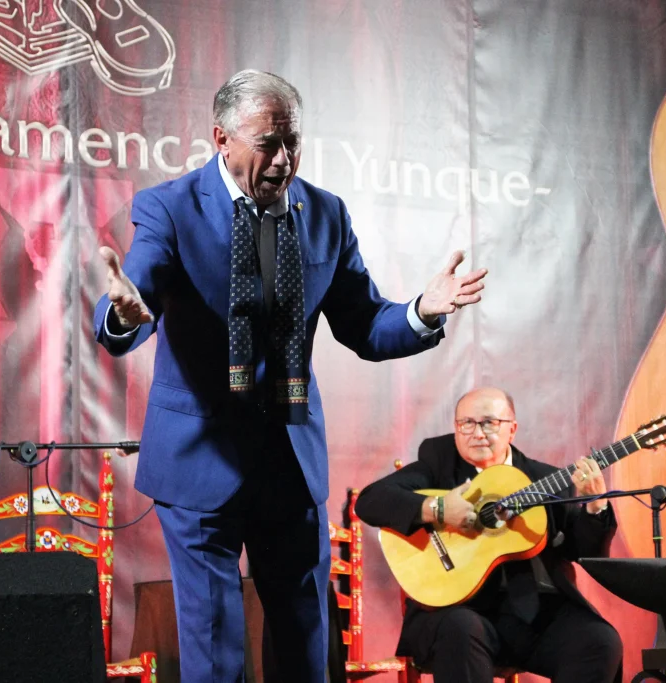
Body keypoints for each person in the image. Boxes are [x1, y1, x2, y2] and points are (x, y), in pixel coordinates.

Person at [93, 69, 487, 683]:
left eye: (292, 142)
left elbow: (364, 324)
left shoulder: (325, 213)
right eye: (267, 144)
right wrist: (123, 313)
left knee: (307, 645)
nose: (283, 159)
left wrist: (421, 312)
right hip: (200, 459)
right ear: (221, 138)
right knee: (215, 651)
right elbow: (134, 290)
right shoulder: (170, 207)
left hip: (290, 462)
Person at [355, 387, 623, 683]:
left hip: (532, 611)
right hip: (455, 611)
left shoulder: (544, 480)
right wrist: (438, 509)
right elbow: (370, 501)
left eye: (489, 423)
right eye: (466, 423)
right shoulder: (437, 462)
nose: (477, 433)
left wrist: (596, 506)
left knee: (600, 642)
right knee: (461, 629)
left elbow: (586, 552)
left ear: (512, 429)